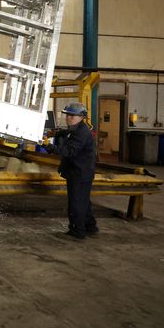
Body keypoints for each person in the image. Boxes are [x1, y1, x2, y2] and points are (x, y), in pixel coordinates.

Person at [45, 102, 98, 241]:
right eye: (67, 115)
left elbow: (69, 151)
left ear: (81, 117)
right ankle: (90, 227)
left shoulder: (81, 133)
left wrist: (48, 146)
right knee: (84, 201)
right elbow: (67, 132)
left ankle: (77, 231)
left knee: (76, 203)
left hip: (79, 173)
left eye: (72, 116)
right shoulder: (76, 128)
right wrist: (55, 132)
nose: (69, 118)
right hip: (81, 171)